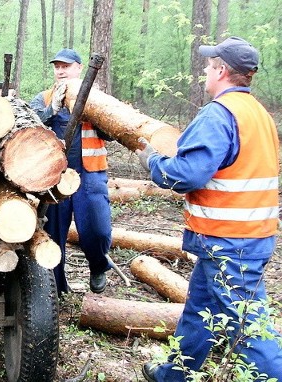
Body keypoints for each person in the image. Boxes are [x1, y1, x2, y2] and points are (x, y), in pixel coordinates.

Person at [136, 36, 282, 381]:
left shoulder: (220, 114)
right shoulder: (257, 113)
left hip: (230, 242)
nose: (204, 69)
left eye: (209, 63)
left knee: (247, 327)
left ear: (222, 70)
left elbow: (187, 174)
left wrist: (152, 161)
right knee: (200, 311)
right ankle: (173, 374)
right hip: (244, 237)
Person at [30, 48, 112, 295]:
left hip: (90, 173)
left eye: (66, 66)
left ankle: (98, 266)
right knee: (53, 233)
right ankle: (56, 287)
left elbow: (112, 133)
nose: (61, 70)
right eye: (57, 66)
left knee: (97, 228)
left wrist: (96, 113)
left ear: (79, 68)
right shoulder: (43, 98)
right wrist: (50, 111)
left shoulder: (97, 99)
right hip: (54, 176)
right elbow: (28, 127)